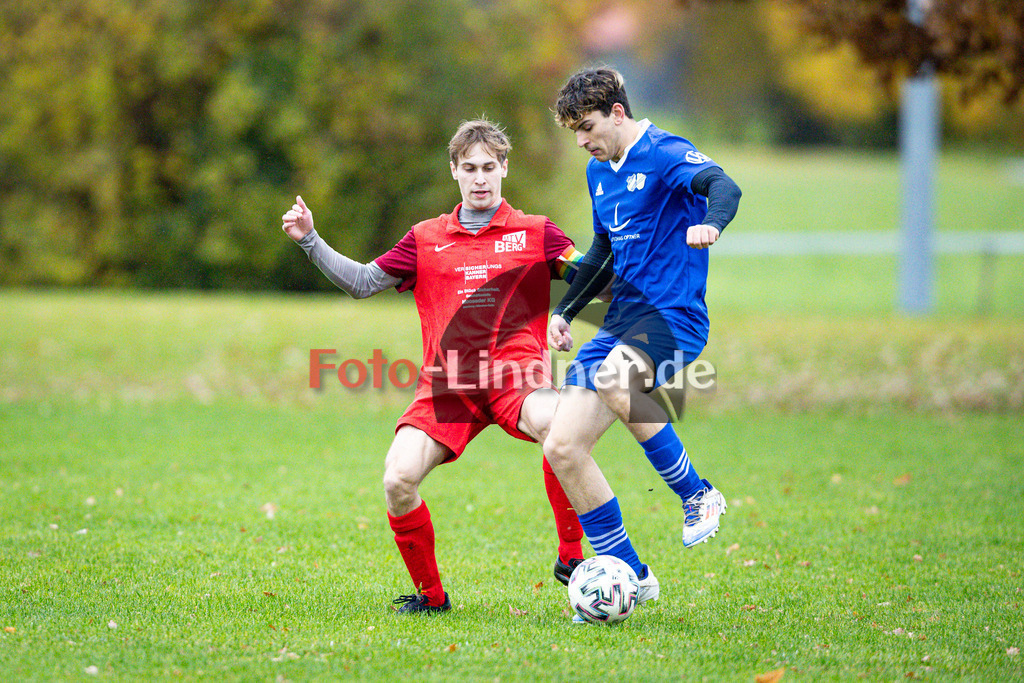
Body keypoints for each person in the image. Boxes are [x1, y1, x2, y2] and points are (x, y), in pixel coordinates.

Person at [281, 119, 594, 613]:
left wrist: (566, 312)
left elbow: (587, 275)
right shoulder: (425, 239)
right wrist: (310, 240)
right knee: (397, 480)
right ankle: (431, 598)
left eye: (489, 167)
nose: (480, 179)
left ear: (504, 168)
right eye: (469, 168)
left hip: (517, 377)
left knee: (563, 429)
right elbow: (363, 282)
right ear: (454, 170)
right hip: (447, 389)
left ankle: (571, 558)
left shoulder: (536, 232)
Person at [542, 68, 742, 589]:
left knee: (613, 378)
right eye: (574, 133)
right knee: (562, 447)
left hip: (674, 317)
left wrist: (712, 223)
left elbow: (724, 185)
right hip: (622, 322)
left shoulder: (664, 152)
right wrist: (564, 311)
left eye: (587, 127)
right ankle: (632, 574)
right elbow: (603, 248)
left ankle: (698, 494)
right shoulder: (599, 172)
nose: (582, 141)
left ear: (617, 113)